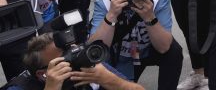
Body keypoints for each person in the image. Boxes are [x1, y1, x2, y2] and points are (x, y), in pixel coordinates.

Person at [87, 0, 184, 89]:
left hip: (147, 50)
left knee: (174, 52)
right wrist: (111, 15)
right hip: (119, 56)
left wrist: (150, 17)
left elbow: (164, 47)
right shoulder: (106, 2)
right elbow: (95, 48)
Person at [5, 32, 144, 90]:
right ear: (43, 74)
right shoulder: (20, 87)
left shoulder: (90, 69)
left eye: (75, 50)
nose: (76, 58)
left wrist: (111, 80)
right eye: (67, 58)